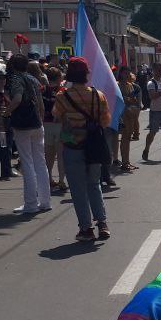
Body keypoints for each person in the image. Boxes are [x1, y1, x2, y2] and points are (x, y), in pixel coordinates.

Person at [53, 57, 112, 242]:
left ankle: (86, 228)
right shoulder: (98, 95)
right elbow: (105, 121)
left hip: (73, 147)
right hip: (94, 146)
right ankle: (102, 224)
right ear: (86, 74)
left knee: (78, 189)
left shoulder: (62, 97)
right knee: (94, 184)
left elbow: (56, 118)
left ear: (69, 75)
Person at [6, 53, 50, 214]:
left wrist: (5, 113)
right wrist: (40, 120)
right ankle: (45, 201)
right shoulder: (33, 79)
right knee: (40, 162)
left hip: (23, 125)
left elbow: (17, 99)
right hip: (37, 123)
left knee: (27, 162)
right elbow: (40, 104)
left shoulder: (15, 79)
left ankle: (31, 204)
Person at [42, 66, 67, 195]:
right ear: (58, 78)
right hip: (60, 124)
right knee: (61, 154)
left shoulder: (42, 90)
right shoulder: (63, 91)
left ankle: (49, 178)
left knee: (49, 154)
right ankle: (62, 180)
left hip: (46, 124)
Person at [115, 65, 142, 175]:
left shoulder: (130, 85)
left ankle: (127, 161)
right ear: (120, 73)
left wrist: (131, 100)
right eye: (125, 73)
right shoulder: (117, 85)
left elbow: (133, 100)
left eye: (128, 73)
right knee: (124, 138)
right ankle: (124, 163)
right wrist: (127, 99)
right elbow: (118, 99)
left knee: (128, 138)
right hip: (121, 115)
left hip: (130, 114)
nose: (127, 75)